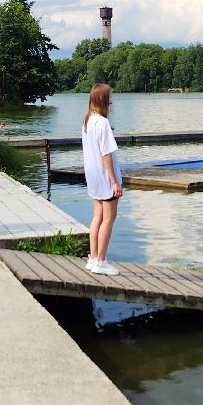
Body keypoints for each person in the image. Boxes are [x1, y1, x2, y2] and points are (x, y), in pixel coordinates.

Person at [81, 83, 122, 275]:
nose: (112, 101)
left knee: (97, 216)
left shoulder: (88, 120)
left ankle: (92, 257)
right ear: (103, 99)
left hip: (93, 175)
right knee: (109, 217)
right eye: (110, 97)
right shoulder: (103, 123)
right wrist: (114, 181)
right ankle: (101, 261)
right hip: (104, 175)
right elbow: (106, 154)